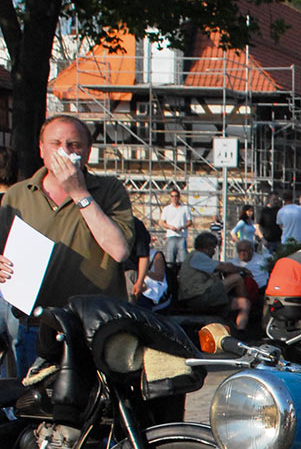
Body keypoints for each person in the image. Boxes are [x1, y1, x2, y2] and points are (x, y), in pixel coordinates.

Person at [0, 115, 133, 369]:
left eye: (74, 145)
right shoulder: (17, 195)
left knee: (96, 407)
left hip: (95, 326)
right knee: (35, 405)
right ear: (41, 149)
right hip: (36, 326)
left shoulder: (109, 191)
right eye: (56, 143)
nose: (65, 151)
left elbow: (119, 250)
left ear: (88, 152)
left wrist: (79, 192)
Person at [178, 231, 253, 330]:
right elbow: (223, 267)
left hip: (206, 294)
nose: (214, 252)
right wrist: (242, 269)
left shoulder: (200, 259)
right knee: (237, 278)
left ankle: (240, 331)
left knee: (244, 303)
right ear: (207, 247)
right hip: (198, 296)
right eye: (213, 248)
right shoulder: (197, 256)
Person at [160, 187, 190, 269]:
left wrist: (183, 226)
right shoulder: (167, 209)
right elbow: (162, 222)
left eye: (176, 196)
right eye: (172, 196)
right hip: (171, 235)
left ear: (179, 197)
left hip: (181, 236)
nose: (174, 198)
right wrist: (170, 227)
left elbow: (190, 221)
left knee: (183, 260)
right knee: (170, 259)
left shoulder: (185, 208)